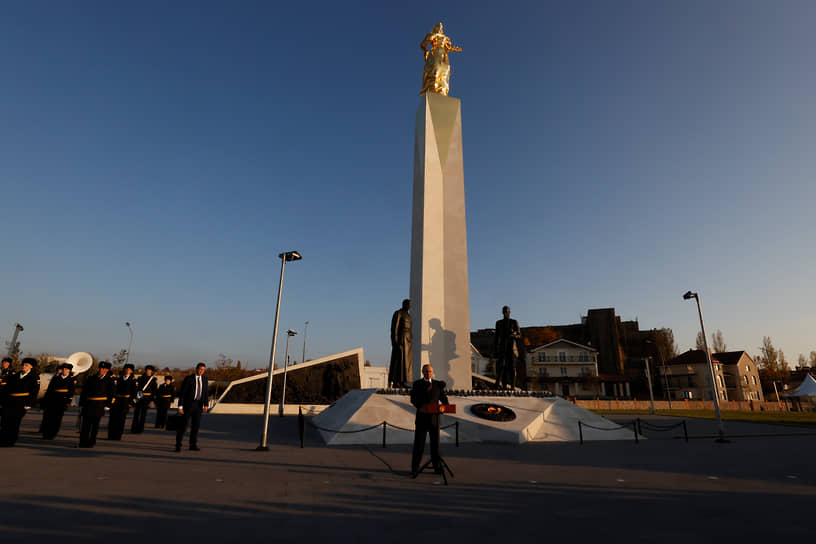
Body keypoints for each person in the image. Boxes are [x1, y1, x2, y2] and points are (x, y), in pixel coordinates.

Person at [410, 364, 449, 476]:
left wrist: (444, 407)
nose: (428, 373)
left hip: (434, 419)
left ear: (433, 372)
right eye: (426, 371)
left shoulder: (437, 385)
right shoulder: (417, 384)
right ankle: (415, 468)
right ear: (423, 372)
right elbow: (413, 399)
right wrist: (420, 406)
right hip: (422, 419)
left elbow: (444, 399)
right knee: (419, 445)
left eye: (430, 371)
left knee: (435, 445)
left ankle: (437, 467)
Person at [0, 357, 40, 447]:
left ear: (31, 367)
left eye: (26, 365)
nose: (24, 366)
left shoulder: (34, 377)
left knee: (14, 423)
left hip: (21, 402)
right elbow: (7, 388)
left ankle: (10, 441)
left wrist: (29, 403)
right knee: (5, 421)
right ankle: (2, 439)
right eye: (23, 365)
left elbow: (34, 391)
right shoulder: (16, 375)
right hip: (9, 401)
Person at [419, 22, 462, 96]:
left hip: (444, 54)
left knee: (445, 69)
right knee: (436, 68)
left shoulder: (445, 38)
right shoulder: (432, 35)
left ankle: (442, 89)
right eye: (437, 26)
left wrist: (455, 49)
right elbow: (423, 44)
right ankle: (432, 87)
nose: (439, 28)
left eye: (441, 27)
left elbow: (448, 47)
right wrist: (425, 50)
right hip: (435, 53)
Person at [78, 361, 114, 448]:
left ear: (107, 370)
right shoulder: (91, 378)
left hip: (99, 405)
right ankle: (83, 442)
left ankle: (91, 442)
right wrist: (81, 403)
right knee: (85, 425)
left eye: (103, 369)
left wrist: (108, 405)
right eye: (100, 368)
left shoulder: (109, 380)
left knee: (95, 425)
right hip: (88, 404)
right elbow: (84, 391)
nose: (101, 370)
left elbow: (111, 393)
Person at [175, 363, 208, 452]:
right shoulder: (189, 379)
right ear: (196, 369)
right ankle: (178, 445)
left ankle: (192, 444)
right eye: (200, 369)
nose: (202, 371)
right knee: (183, 426)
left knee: (195, 426)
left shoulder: (205, 379)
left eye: (203, 370)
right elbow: (182, 393)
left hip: (198, 405)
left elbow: (205, 393)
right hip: (188, 405)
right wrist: (180, 406)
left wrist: (206, 404)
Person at [40, 362, 76, 440]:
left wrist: (68, 402)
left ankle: (53, 433)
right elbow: (49, 389)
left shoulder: (71, 379)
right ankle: (46, 434)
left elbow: (71, 392)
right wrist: (45, 400)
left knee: (57, 419)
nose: (64, 370)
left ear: (69, 371)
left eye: (66, 369)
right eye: (63, 369)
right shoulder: (56, 377)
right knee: (49, 418)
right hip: (52, 400)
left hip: (62, 401)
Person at [493, 306, 521, 390]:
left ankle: (512, 386)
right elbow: (496, 337)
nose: (505, 313)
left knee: (512, 368)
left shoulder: (514, 322)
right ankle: (503, 386)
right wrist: (495, 348)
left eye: (506, 311)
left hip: (512, 348)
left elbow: (519, 335)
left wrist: (513, 335)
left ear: (509, 312)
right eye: (504, 311)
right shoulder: (499, 323)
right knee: (502, 367)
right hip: (502, 348)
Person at [108, 363, 136, 440]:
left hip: (126, 401)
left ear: (131, 371)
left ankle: (117, 436)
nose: (127, 371)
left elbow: (136, 393)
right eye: (126, 369)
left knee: (121, 419)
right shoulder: (118, 379)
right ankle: (110, 435)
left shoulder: (134, 381)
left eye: (129, 370)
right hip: (117, 400)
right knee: (113, 418)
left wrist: (132, 402)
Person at [388, 299, 413, 388]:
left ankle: (403, 381)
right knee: (399, 361)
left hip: (408, 340)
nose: (410, 306)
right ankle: (396, 381)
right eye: (408, 304)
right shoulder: (398, 313)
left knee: (406, 363)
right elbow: (394, 329)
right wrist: (394, 342)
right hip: (401, 340)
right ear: (404, 304)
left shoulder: (409, 316)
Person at [131, 365, 157, 434]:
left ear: (151, 371)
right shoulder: (140, 378)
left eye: (149, 370)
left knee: (143, 414)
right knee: (136, 414)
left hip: (147, 399)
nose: (148, 371)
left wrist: (151, 400)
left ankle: (140, 429)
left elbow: (154, 391)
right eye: (147, 370)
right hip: (139, 396)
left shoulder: (153, 380)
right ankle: (134, 428)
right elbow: (137, 388)